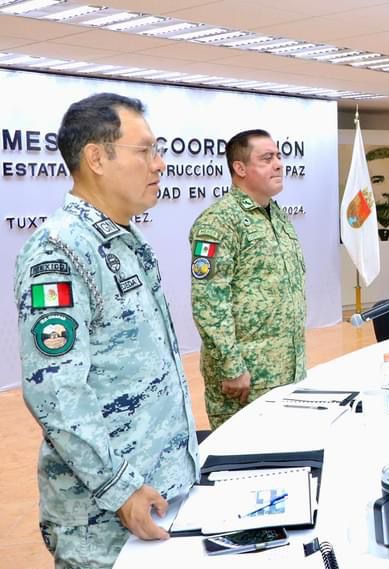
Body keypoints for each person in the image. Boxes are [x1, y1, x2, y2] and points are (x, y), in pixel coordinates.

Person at [14, 93, 199, 569]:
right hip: (104, 518)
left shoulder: (123, 240)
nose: (159, 164)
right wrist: (118, 487)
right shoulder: (58, 252)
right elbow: (55, 391)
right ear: (97, 157)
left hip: (155, 489)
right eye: (145, 151)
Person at [189, 129, 306, 429]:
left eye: (279, 156)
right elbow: (209, 302)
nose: (279, 164)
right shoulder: (218, 222)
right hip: (247, 380)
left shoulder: (275, 214)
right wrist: (232, 367)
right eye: (267, 158)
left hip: (287, 371)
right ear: (239, 168)